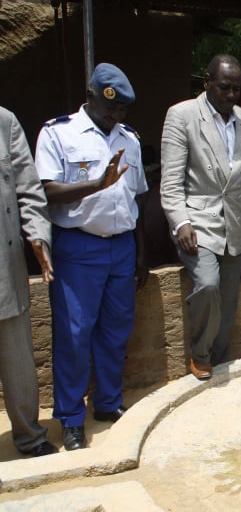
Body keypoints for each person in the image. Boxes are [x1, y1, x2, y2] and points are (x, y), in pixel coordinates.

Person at [35, 63, 149, 450]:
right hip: (78, 245)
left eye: (121, 111)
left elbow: (138, 197)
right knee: (73, 334)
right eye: (109, 108)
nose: (115, 116)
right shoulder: (59, 133)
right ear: (92, 96)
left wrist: (141, 252)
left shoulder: (129, 139)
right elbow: (46, 189)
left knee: (115, 331)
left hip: (121, 246)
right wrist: (96, 184)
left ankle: (107, 404)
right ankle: (69, 417)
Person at [160, 54, 241, 380]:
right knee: (207, 285)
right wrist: (181, 222)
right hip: (197, 223)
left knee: (229, 302)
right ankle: (199, 354)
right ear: (206, 82)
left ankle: (217, 363)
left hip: (233, 223)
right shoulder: (182, 116)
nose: (231, 95)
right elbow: (171, 183)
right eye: (224, 88)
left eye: (236, 89)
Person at [0, 106, 58, 457]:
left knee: (18, 364)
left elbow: (30, 191)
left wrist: (37, 236)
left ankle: (29, 436)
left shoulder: (5, 123)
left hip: (5, 267)